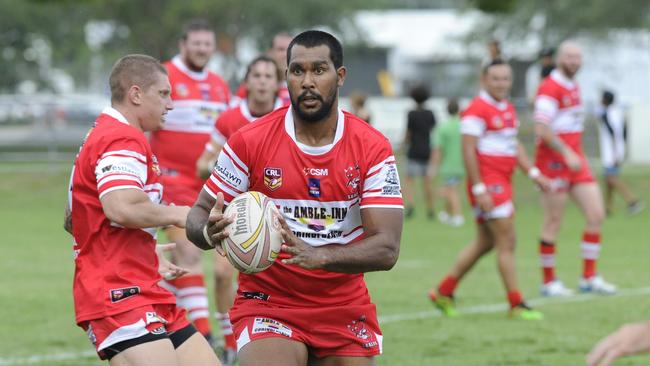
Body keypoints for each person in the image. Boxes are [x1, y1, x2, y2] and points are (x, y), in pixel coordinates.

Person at [186, 30, 404, 366]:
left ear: (340, 76)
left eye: (319, 70)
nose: (307, 82)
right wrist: (206, 232)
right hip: (268, 301)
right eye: (297, 71)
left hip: (342, 303)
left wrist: (320, 256)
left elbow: (387, 248)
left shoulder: (372, 147)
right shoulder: (250, 141)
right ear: (285, 77)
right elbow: (198, 213)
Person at [65, 54, 220, 365]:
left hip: (143, 285)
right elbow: (119, 206)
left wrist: (144, 250)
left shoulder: (108, 134)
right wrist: (184, 214)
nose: (171, 104)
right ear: (136, 94)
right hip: (118, 292)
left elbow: (74, 218)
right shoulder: (121, 138)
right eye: (163, 94)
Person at [429, 59, 550, 320]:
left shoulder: (506, 107)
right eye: (495, 78)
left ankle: (443, 291)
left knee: (485, 243)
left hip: (503, 181)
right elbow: (468, 149)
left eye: (505, 78)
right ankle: (515, 304)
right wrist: (480, 187)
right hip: (489, 184)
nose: (501, 83)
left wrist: (533, 172)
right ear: (484, 80)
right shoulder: (476, 110)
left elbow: (513, 146)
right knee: (507, 241)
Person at [148, 19, 232, 352]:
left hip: (209, 188)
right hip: (170, 182)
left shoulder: (219, 84)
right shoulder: (163, 75)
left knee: (199, 264)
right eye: (196, 43)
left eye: (207, 44)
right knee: (188, 254)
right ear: (184, 44)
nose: (202, 49)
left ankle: (176, 329)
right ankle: (205, 336)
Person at [533, 41, 617, 297]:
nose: (574, 61)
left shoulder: (574, 85)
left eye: (578, 57)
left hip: (575, 162)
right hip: (553, 163)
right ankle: (549, 283)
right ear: (559, 59)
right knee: (554, 221)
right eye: (569, 56)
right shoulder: (550, 88)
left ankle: (589, 277)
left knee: (596, 214)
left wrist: (574, 153)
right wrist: (566, 151)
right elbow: (541, 129)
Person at [196, 55, 283, 179]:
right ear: (246, 83)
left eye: (268, 76)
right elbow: (201, 168)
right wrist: (215, 166)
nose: (262, 81)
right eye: (257, 75)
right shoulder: (228, 118)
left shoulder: (290, 117)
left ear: (277, 84)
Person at [597, 90, 644, 216]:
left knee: (611, 179)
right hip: (617, 150)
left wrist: (615, 154)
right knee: (608, 181)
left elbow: (613, 134)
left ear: (605, 100)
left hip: (612, 153)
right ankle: (607, 208)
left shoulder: (607, 114)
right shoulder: (617, 113)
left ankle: (632, 201)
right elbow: (623, 133)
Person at [231, 32, 293, 107]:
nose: (285, 54)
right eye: (281, 49)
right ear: (270, 52)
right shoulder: (250, 87)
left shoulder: (301, 84)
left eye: (289, 50)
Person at [402, 85, 436, 219]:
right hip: (427, 150)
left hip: (413, 150)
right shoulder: (430, 113)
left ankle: (410, 205)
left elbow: (408, 133)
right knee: (427, 182)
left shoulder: (411, 113)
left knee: (409, 180)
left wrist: (403, 144)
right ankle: (430, 208)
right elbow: (433, 131)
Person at [430, 98, 465, 227]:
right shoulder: (463, 125)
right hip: (462, 164)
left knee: (450, 191)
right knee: (449, 189)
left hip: (448, 165)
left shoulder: (442, 127)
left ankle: (458, 216)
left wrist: (433, 167)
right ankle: (446, 214)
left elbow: (437, 149)